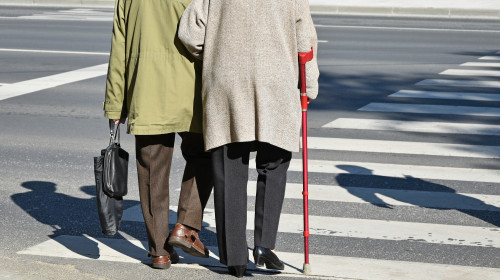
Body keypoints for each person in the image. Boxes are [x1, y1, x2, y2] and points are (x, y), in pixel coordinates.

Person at [178, 0, 319, 277]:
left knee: (230, 164)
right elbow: (306, 44)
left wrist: (215, 55)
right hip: (275, 80)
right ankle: (265, 245)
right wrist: (309, 86)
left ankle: (235, 257)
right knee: (275, 162)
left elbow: (190, 32)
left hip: (227, 80)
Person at [103, 0, 213, 270]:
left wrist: (116, 103)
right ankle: (185, 226)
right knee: (206, 155)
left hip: (146, 88)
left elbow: (120, 47)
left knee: (152, 171)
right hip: (192, 87)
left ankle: (159, 252)